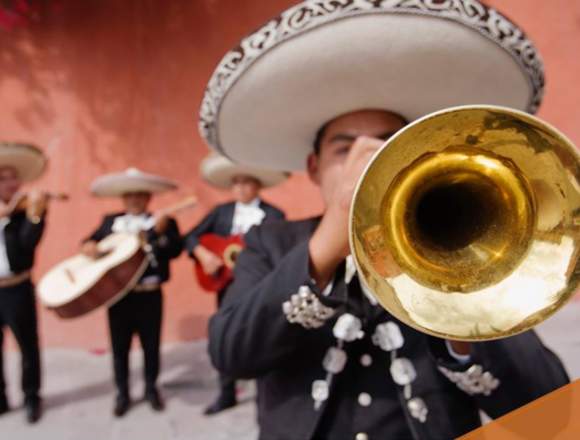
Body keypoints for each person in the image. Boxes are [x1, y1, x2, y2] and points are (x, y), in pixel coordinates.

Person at [199, 2, 570, 439]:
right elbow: (230, 354)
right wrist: (326, 245)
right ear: (314, 167)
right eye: (345, 149)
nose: (368, 160)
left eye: (389, 145)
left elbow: (552, 412)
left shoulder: (463, 252)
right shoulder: (271, 240)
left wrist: (466, 322)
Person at [184, 153, 286, 415]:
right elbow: (191, 237)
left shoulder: (274, 215)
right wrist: (204, 255)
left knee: (265, 335)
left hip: (261, 286)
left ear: (258, 185)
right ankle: (226, 393)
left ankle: (266, 395)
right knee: (226, 334)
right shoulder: (222, 212)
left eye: (246, 182)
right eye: (236, 182)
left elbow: (279, 252)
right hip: (226, 285)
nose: (240, 187)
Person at [82, 168, 182, 417]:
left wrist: (159, 235)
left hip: (149, 294)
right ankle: (122, 393)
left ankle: (151, 388)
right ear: (123, 199)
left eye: (140, 195)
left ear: (148, 197)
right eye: (130, 196)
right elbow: (88, 241)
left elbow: (175, 250)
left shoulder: (163, 222)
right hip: (118, 296)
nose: (135, 200)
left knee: (151, 345)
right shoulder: (110, 222)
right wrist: (89, 246)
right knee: (120, 347)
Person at [0, 142, 48, 424]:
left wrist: (35, 214)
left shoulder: (26, 213)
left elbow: (28, 244)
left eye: (13, 177)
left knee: (28, 346)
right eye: (3, 178)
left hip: (17, 288)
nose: (10, 183)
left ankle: (32, 397)